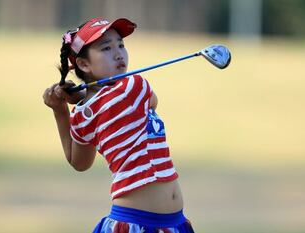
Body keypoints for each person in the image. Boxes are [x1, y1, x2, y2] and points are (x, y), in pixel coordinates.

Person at [43, 17, 195, 233]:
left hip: (173, 223)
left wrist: (65, 107)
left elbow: (78, 160)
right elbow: (81, 162)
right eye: (106, 48)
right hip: (133, 224)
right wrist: (65, 108)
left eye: (121, 45)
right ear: (84, 64)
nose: (118, 54)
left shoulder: (88, 111)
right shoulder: (132, 86)